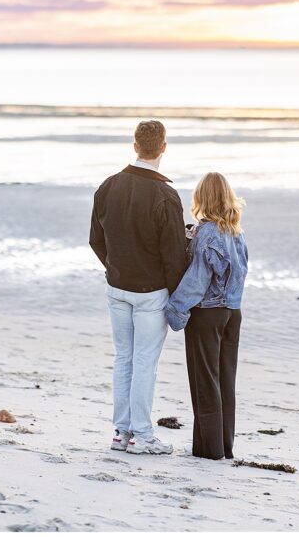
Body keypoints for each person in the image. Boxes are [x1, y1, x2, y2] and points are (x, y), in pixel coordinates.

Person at [89, 120, 188, 455]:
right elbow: (173, 256)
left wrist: (117, 267)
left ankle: (121, 433)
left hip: (117, 287)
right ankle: (142, 436)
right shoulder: (165, 195)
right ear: (163, 147)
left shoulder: (107, 186)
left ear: (135, 146)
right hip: (150, 292)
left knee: (124, 359)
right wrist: (176, 295)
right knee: (143, 362)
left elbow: (96, 240)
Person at [165, 172, 248, 460]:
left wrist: (174, 310)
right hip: (232, 313)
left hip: (207, 314)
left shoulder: (207, 233)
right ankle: (224, 445)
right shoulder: (235, 231)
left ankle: (208, 449)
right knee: (225, 379)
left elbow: (197, 280)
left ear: (202, 198)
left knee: (205, 381)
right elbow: (240, 273)